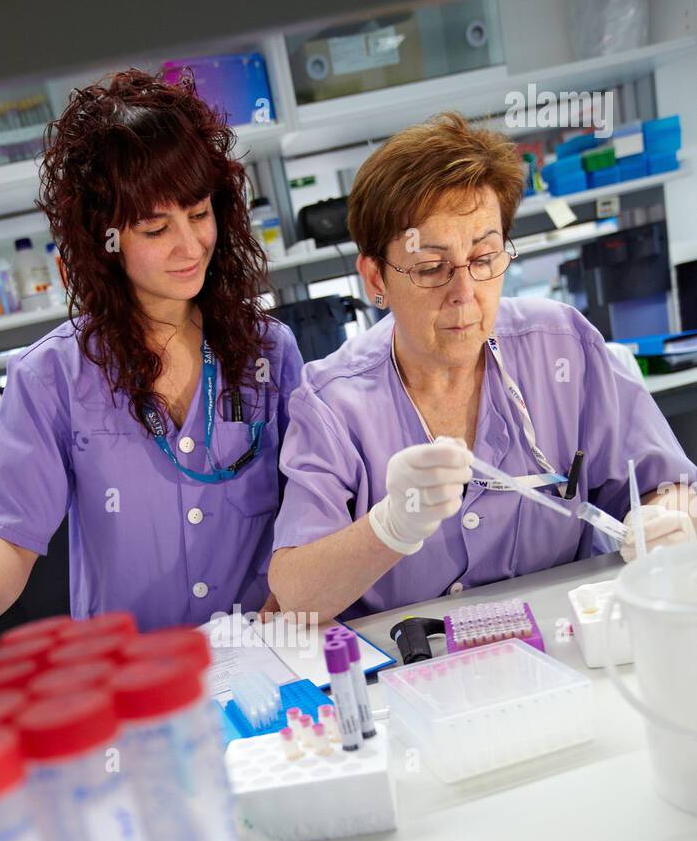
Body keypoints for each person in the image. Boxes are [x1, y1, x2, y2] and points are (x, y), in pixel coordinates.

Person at [0, 68, 302, 666]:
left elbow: (312, 499)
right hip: (129, 682)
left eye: (200, 213)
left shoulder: (268, 353)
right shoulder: (51, 378)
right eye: (155, 228)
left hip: (271, 658)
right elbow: (9, 532)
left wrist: (295, 593)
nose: (191, 244)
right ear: (106, 240)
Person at [269, 111, 696, 623]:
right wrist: (390, 527)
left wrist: (665, 517)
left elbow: (670, 486)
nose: (465, 294)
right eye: (431, 268)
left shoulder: (562, 348)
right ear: (374, 278)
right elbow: (295, 598)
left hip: (574, 647)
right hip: (415, 676)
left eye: (485, 257)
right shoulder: (333, 402)